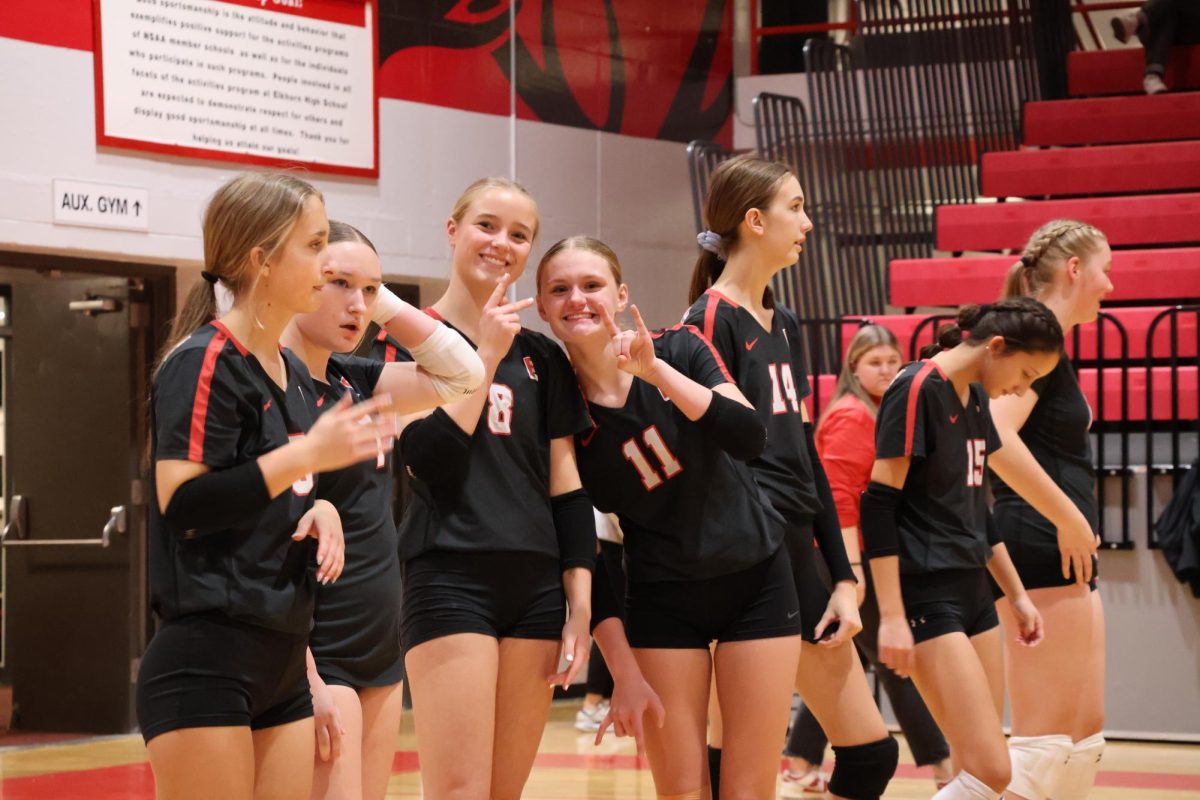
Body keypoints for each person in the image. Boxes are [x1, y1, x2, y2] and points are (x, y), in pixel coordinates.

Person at [138, 172, 401, 800]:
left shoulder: (285, 373)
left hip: (283, 654)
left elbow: (263, 494)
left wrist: (319, 510)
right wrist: (308, 455)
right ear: (261, 260)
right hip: (206, 656)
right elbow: (186, 503)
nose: (323, 261)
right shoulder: (203, 360)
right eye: (312, 246)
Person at [538, 235, 802, 799]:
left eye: (592, 286)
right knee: (681, 790)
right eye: (560, 290)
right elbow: (584, 549)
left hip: (755, 578)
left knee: (748, 788)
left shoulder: (680, 347)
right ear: (542, 308)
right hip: (662, 600)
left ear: (621, 292)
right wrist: (622, 672)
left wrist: (657, 376)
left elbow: (750, 435)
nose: (577, 300)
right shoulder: (559, 410)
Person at [683, 154, 898, 800]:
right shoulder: (708, 321)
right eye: (796, 208)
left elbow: (805, 459)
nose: (807, 222)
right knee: (743, 765)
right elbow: (713, 466)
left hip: (799, 551)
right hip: (754, 559)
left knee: (854, 758)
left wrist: (842, 575)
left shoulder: (789, 322)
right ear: (754, 221)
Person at [393, 178, 596, 800]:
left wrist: (580, 603)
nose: (501, 243)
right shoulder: (407, 337)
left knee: (505, 791)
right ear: (452, 230)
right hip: (449, 576)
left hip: (535, 588)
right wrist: (482, 355)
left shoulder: (543, 356)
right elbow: (424, 460)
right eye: (486, 225)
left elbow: (566, 486)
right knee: (458, 789)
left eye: (519, 234)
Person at [280, 220, 485, 800]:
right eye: (338, 284)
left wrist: (379, 298)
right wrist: (307, 675)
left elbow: (465, 374)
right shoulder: (270, 381)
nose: (356, 305)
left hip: (380, 645)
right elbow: (260, 534)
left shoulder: (359, 379)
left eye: (368, 290)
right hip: (321, 648)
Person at [863, 298, 1063, 800]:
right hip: (927, 595)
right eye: (1025, 372)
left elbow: (979, 511)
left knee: (974, 769)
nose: (1021, 387)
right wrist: (889, 616)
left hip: (975, 590)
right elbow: (878, 505)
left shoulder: (973, 395)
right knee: (994, 771)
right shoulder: (915, 388)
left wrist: (1015, 594)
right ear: (996, 347)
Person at [782, 325, 953, 797]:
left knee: (844, 664)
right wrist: (850, 573)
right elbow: (838, 501)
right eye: (874, 362)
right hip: (841, 560)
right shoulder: (851, 415)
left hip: (853, 558)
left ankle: (800, 758)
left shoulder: (878, 412)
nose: (885, 370)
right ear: (852, 368)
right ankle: (944, 763)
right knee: (893, 661)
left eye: (892, 362)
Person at [988, 220, 1113, 800]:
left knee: (1082, 741)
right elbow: (995, 437)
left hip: (1067, 552)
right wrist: (1067, 515)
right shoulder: (1034, 344)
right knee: (1043, 749)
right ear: (1073, 270)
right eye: (1104, 269)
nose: (1109, 285)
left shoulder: (1049, 345)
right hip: (1038, 544)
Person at [576, 510, 625, 734]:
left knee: (613, 622)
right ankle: (590, 706)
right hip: (605, 536)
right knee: (610, 622)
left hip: (604, 534)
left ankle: (597, 703)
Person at [1112, 0, 1200, 94]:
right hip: (1175, 28)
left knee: (1166, 7)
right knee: (1166, 8)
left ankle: (1138, 21)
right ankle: (1140, 20)